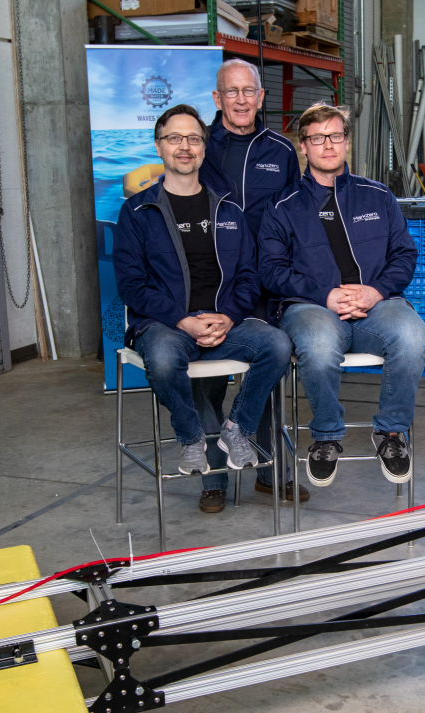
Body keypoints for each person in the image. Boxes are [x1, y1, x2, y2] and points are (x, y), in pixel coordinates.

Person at [114, 104, 292, 513]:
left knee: (278, 344)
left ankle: (237, 429)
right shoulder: (138, 211)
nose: (184, 147)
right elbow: (131, 284)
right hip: (167, 324)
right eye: (174, 138)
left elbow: (249, 275)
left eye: (193, 138)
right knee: (160, 358)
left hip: (225, 321)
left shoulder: (228, 210)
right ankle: (192, 438)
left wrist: (227, 316)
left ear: (204, 147)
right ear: (159, 146)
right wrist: (183, 320)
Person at [258, 103, 425, 488]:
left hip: (377, 307)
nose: (328, 145)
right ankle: (327, 435)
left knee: (413, 335)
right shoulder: (282, 208)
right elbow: (270, 270)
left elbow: (404, 254)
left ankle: (391, 432)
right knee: (317, 343)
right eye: (317, 138)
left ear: (347, 142)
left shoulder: (377, 196)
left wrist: (376, 291)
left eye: (335, 136)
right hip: (311, 308)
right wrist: (325, 295)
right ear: (303, 146)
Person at [199, 57, 308, 503]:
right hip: (209, 285)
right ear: (217, 98)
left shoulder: (280, 151)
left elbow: (297, 219)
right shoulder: (198, 146)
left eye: (249, 91)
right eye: (232, 91)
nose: (241, 100)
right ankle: (213, 478)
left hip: (263, 285)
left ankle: (269, 469)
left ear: (261, 97)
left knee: (267, 376)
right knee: (203, 381)